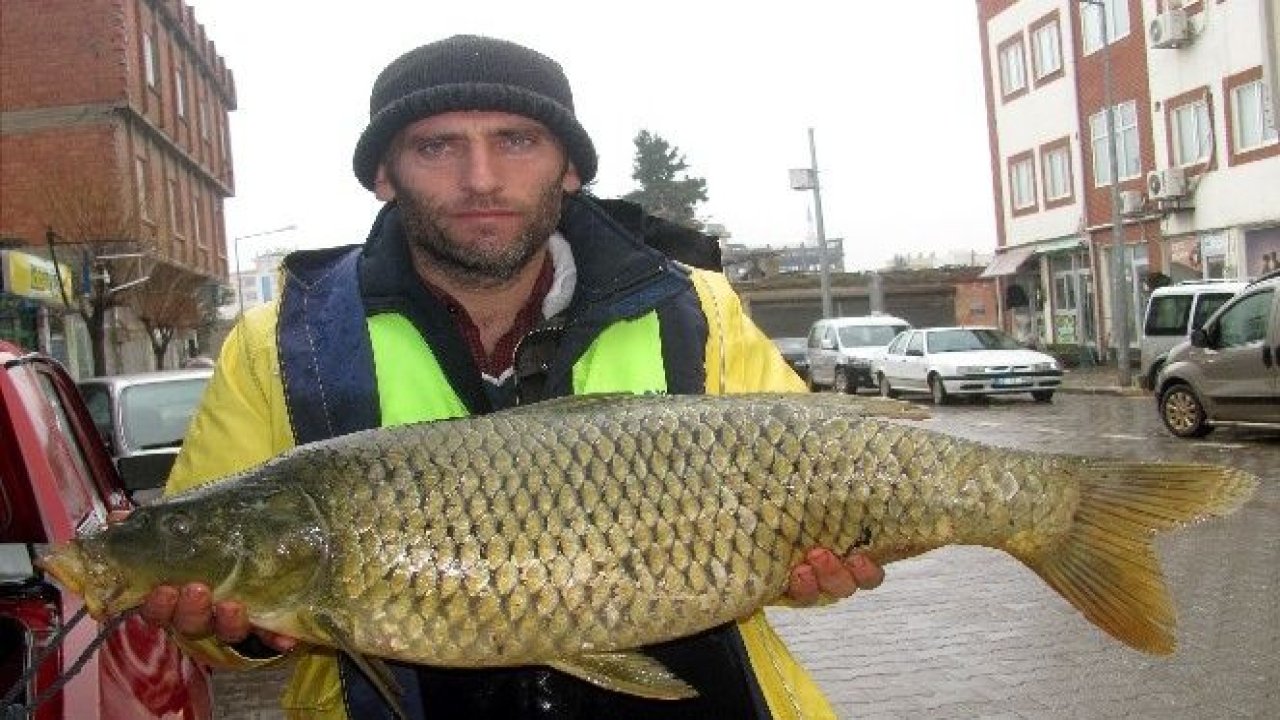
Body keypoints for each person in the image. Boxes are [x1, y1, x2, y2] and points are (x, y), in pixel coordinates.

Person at [141, 35, 883, 719]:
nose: (481, 177)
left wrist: (815, 570)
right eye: (436, 146)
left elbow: (813, 515)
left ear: (570, 167)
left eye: (517, 141)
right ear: (383, 176)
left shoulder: (696, 308)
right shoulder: (279, 346)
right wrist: (240, 633)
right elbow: (202, 593)